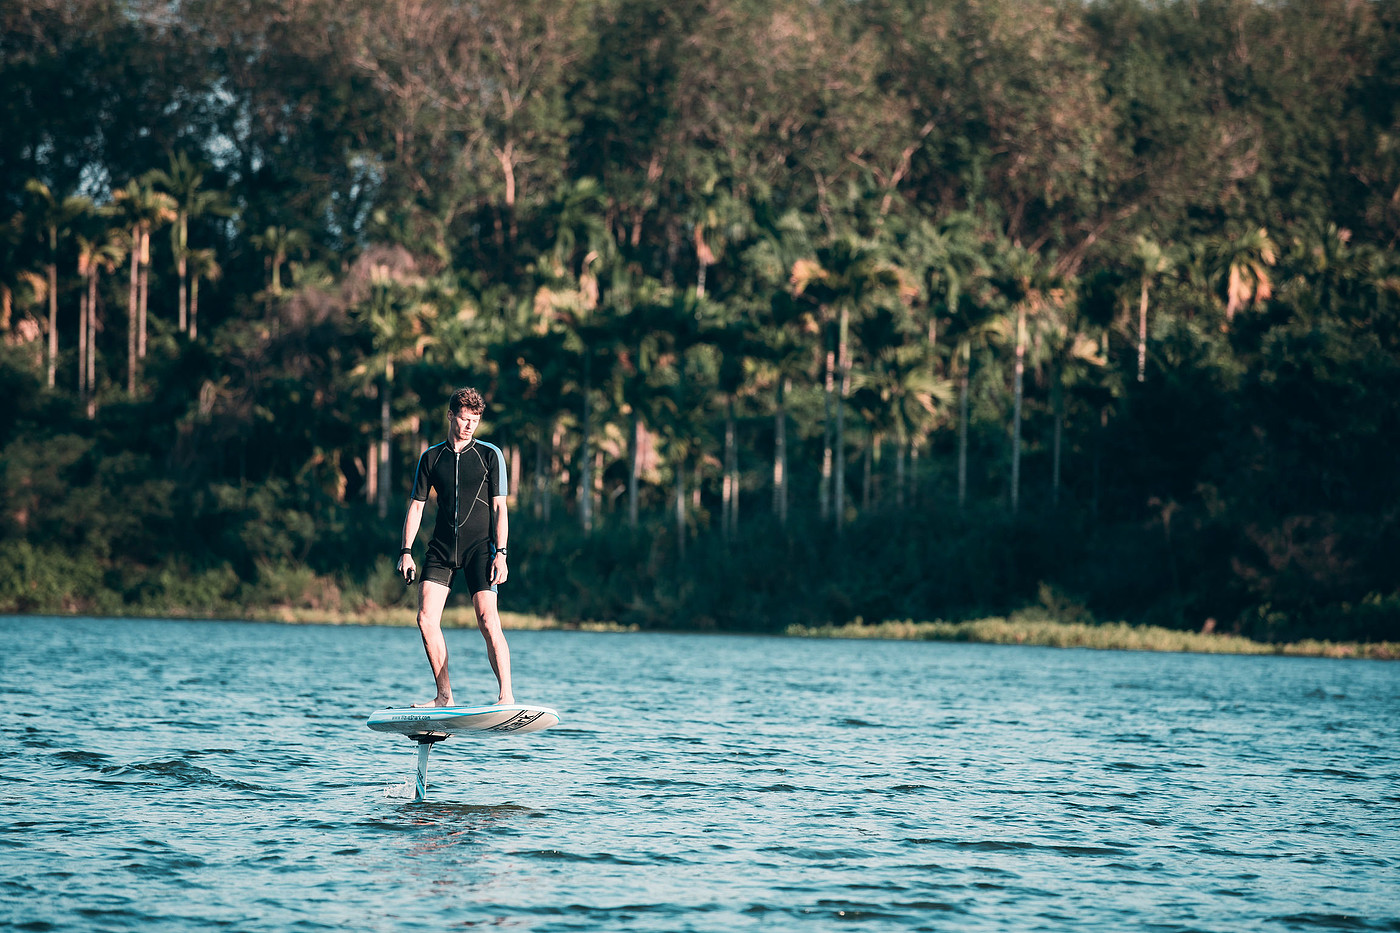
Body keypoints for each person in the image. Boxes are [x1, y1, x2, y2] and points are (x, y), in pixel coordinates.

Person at [396, 387, 513, 707]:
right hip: (442, 548)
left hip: (480, 548)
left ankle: (506, 696)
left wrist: (501, 554)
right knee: (425, 619)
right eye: (464, 418)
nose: (469, 425)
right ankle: (443, 696)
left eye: (475, 420)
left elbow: (500, 508)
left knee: (488, 620)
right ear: (450, 415)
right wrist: (406, 552)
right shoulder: (431, 457)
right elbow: (416, 507)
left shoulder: (490, 455)